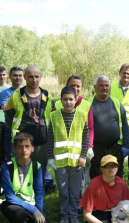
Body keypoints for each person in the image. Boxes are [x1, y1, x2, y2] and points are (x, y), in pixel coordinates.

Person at [47, 86, 89, 223]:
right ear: (61, 100)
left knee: (74, 191)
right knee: (63, 191)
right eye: (65, 99)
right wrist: (50, 158)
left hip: (77, 161)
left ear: (76, 100)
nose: (68, 102)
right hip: (60, 162)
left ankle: (73, 215)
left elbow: (85, 138)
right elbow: (50, 138)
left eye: (71, 99)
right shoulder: (54, 116)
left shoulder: (82, 115)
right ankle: (65, 215)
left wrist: (83, 156)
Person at [5, 65, 52, 181]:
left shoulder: (47, 95)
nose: (34, 80)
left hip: (42, 141)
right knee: (20, 172)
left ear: (40, 77)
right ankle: (20, 195)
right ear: (25, 77)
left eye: (36, 77)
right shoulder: (16, 96)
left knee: (40, 172)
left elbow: (51, 116)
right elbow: (9, 117)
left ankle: (38, 194)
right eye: (30, 77)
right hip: (22, 142)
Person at [53, 75, 94, 194]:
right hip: (62, 152)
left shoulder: (86, 105)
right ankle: (66, 204)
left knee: (80, 178)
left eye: (78, 86)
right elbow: (53, 128)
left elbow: (90, 128)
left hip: (81, 149)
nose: (75, 88)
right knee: (64, 179)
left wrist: (89, 147)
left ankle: (79, 202)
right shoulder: (57, 104)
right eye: (72, 85)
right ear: (67, 86)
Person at [0, 132, 47, 223]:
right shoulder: (7, 166)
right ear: (15, 149)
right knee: (19, 214)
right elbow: (9, 196)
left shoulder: (37, 166)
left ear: (32, 148)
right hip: (9, 203)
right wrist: (33, 210)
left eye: (27, 146)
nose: (24, 150)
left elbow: (39, 192)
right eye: (20, 146)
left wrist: (39, 211)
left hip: (29, 203)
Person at [89, 75, 129, 179]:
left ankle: (116, 195)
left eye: (107, 85)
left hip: (115, 147)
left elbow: (125, 126)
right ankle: (98, 195)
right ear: (95, 87)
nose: (104, 88)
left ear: (110, 87)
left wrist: (126, 145)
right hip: (96, 149)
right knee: (97, 176)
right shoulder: (88, 104)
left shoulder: (117, 103)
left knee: (116, 175)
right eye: (101, 85)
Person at [79, 155, 129, 223]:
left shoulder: (122, 183)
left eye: (114, 165)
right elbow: (87, 214)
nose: (111, 168)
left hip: (118, 213)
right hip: (98, 215)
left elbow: (128, 206)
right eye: (107, 166)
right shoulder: (93, 185)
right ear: (101, 169)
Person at [0, 66, 24, 161]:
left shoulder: (28, 91)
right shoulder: (5, 93)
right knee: (12, 155)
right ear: (10, 76)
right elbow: (4, 107)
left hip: (26, 128)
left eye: (20, 75)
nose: (18, 78)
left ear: (23, 77)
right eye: (15, 75)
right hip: (10, 128)